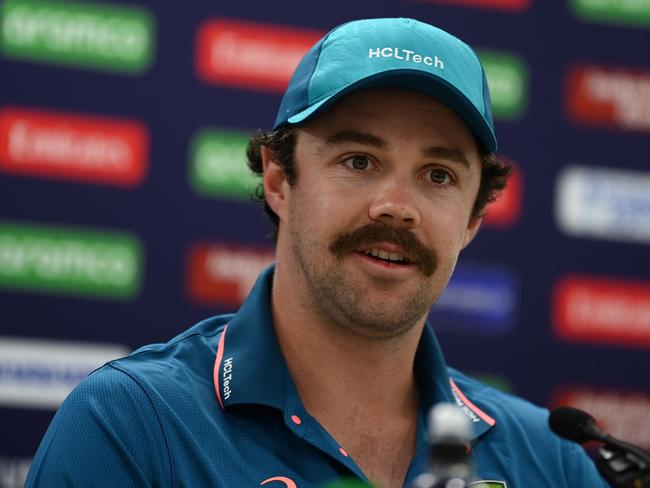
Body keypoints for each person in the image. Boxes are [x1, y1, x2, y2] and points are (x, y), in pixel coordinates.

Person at [25, 17, 608, 488]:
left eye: (437, 174)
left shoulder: (553, 461)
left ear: (473, 220)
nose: (397, 206)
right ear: (280, 180)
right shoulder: (132, 424)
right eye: (360, 161)